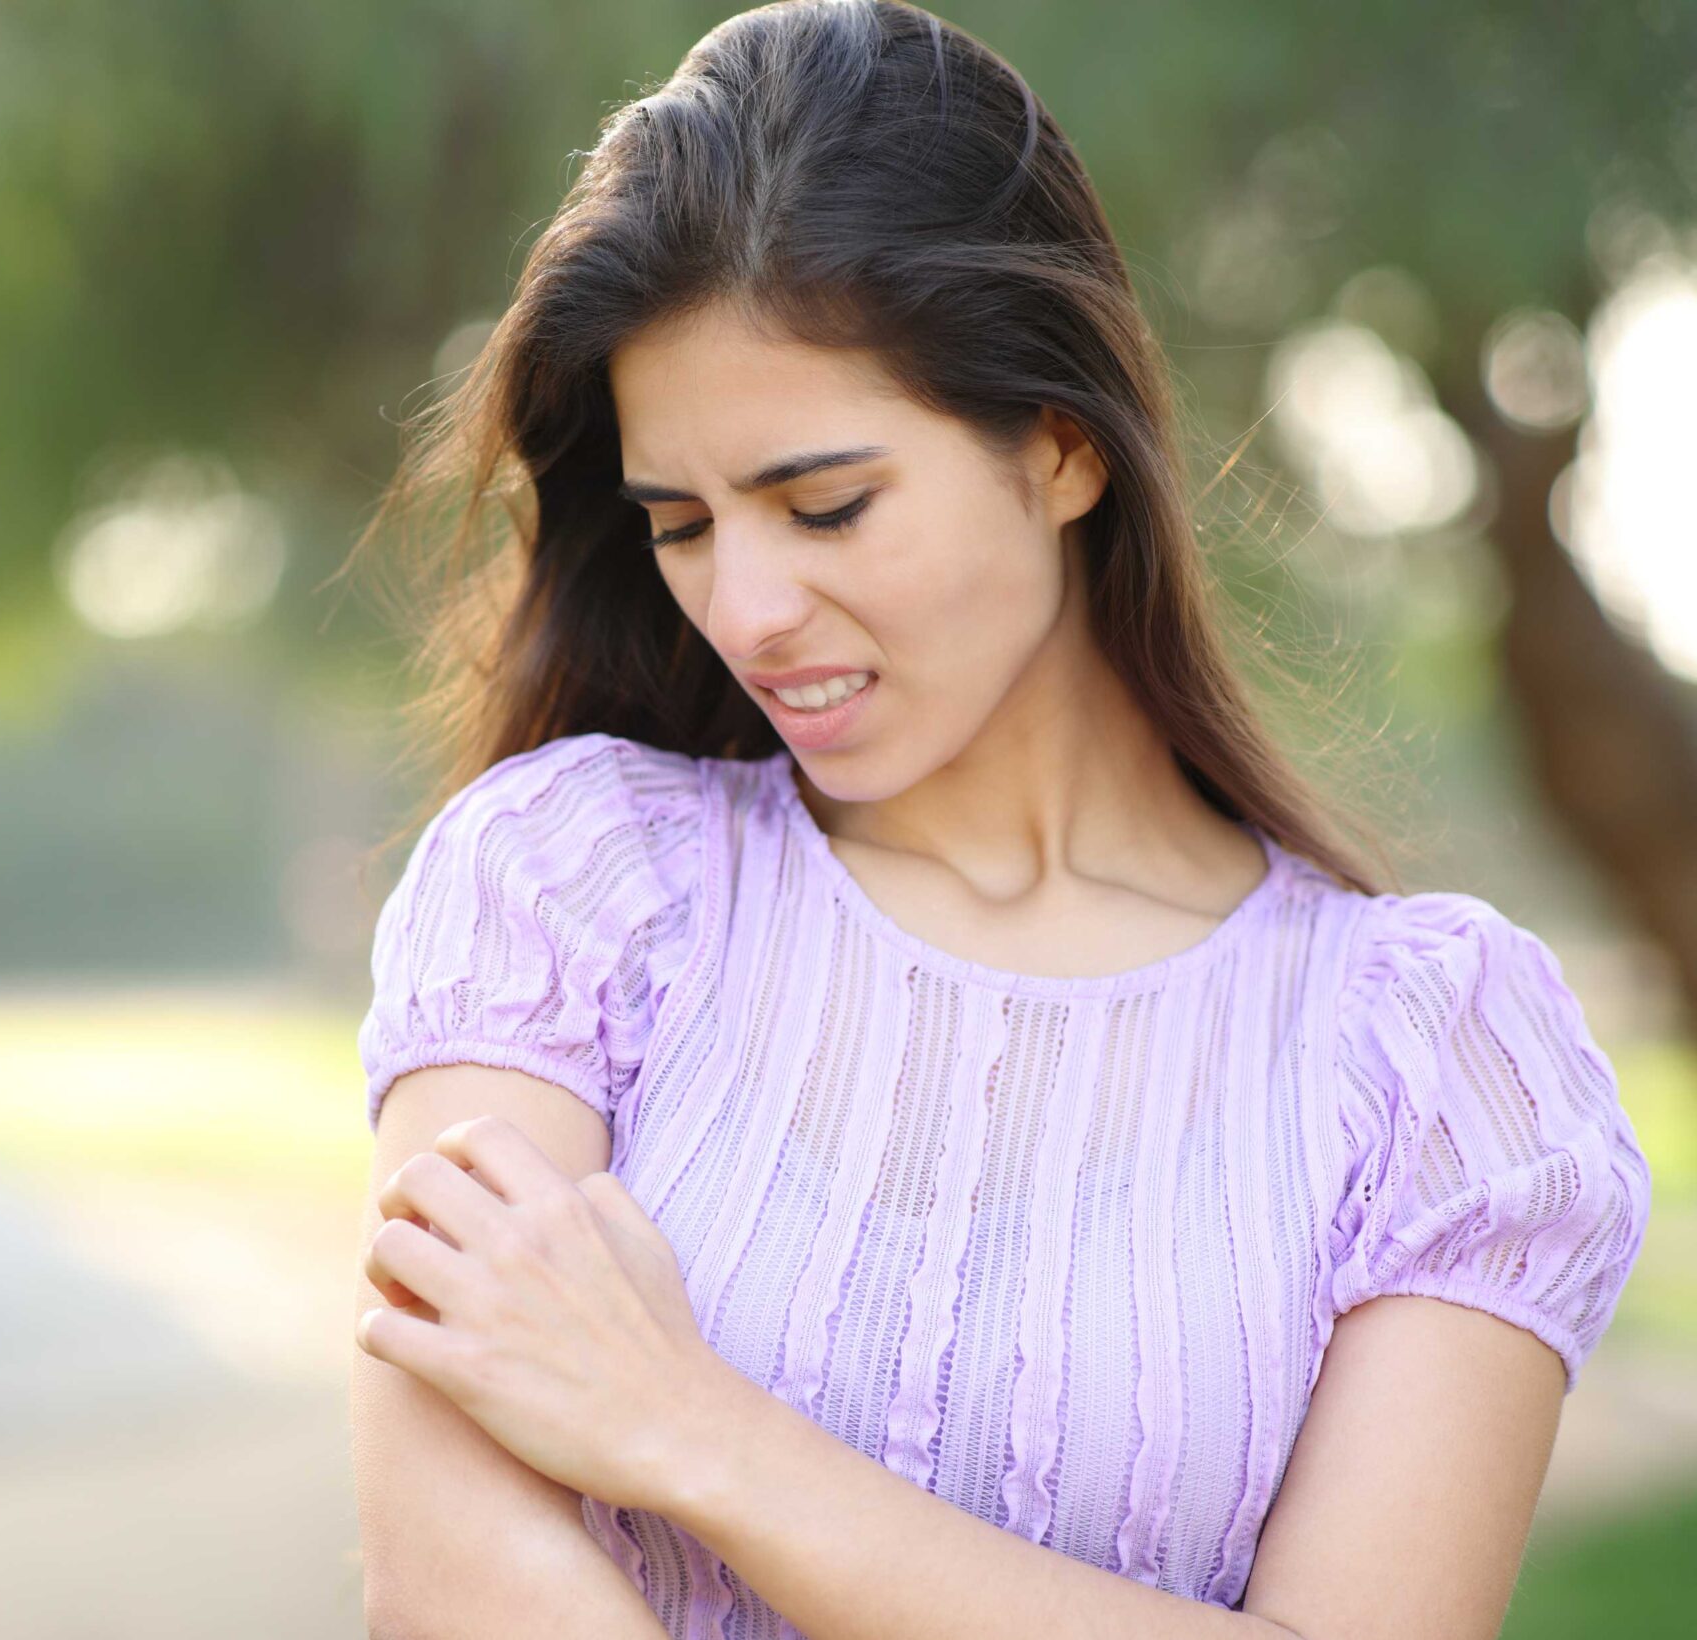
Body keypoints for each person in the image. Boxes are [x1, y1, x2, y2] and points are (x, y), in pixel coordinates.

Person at [342, 4, 1654, 1637]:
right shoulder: (569, 889)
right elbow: (456, 1582)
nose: (746, 609)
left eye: (828, 506)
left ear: (1061, 450)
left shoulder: (1431, 1062)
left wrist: (699, 1437)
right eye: (679, 524)